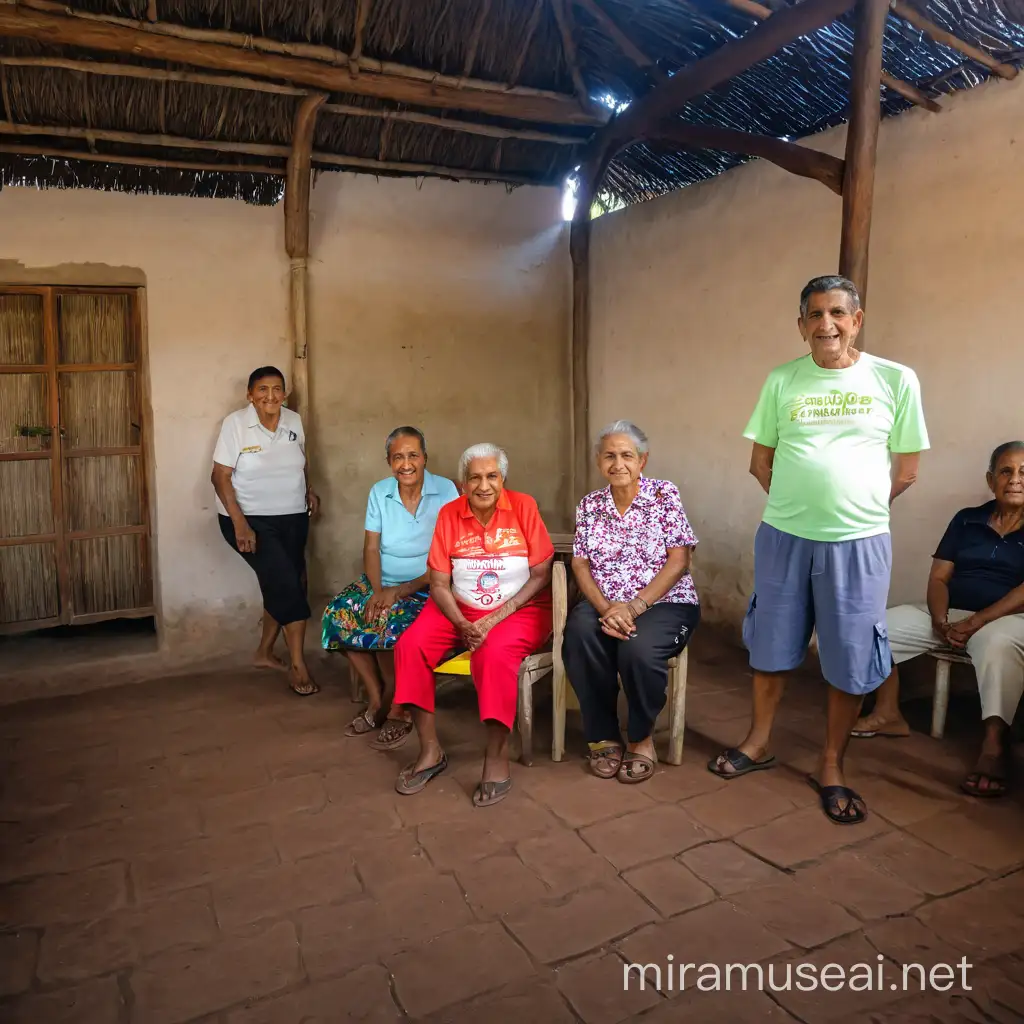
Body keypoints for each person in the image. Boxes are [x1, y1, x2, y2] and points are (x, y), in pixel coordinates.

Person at [708, 276, 929, 825]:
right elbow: (761, 462)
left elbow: (906, 470)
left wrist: (855, 508)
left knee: (850, 655)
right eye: (814, 314)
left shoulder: (895, 380)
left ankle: (832, 762)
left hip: (858, 543)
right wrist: (796, 504)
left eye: (837, 313)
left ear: (857, 319)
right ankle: (758, 742)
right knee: (771, 646)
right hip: (783, 536)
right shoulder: (782, 380)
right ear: (800, 322)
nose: (825, 324)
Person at [852, 441, 1024, 797]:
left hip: (1009, 619)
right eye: (1006, 471)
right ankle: (887, 712)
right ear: (991, 480)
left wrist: (976, 622)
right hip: (953, 615)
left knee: (997, 644)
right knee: (872, 627)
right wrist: (939, 619)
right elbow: (939, 577)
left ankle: (993, 745)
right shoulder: (966, 518)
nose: (1015, 480)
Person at [390, 443, 554, 807]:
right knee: (410, 646)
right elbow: (438, 582)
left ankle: (496, 757)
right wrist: (462, 622)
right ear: (463, 483)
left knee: (493, 655)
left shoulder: (524, 506)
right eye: (475, 477)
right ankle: (431, 751)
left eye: (492, 476)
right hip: (457, 608)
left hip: (519, 608)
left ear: (503, 479)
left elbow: (541, 573)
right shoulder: (450, 514)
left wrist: (495, 617)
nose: (484, 485)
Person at [563, 421, 701, 783]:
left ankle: (641, 737)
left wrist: (634, 607)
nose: (618, 463)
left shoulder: (663, 494)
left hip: (665, 602)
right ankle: (603, 734)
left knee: (637, 648)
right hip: (605, 602)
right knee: (579, 634)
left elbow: (679, 559)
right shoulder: (590, 505)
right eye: (610, 455)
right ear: (599, 462)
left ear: (643, 460)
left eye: (627, 455)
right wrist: (607, 607)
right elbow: (580, 562)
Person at [321, 427, 458, 740]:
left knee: (391, 621)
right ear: (388, 462)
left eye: (413, 455)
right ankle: (378, 696)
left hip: (429, 584)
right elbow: (371, 547)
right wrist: (378, 590)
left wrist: (399, 592)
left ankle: (399, 703)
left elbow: (451, 554)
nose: (406, 464)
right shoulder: (379, 492)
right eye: (398, 457)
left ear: (425, 459)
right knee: (336, 615)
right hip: (383, 581)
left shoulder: (446, 490)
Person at [211, 366, 320, 695]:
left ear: (284, 394)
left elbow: (301, 461)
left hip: (293, 515)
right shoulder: (235, 425)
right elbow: (220, 477)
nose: (270, 396)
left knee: (291, 579)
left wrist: (309, 489)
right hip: (249, 519)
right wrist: (241, 524)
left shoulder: (293, 421)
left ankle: (263, 653)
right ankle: (299, 664)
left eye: (276, 389)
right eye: (262, 389)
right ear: (250, 395)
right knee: (287, 583)